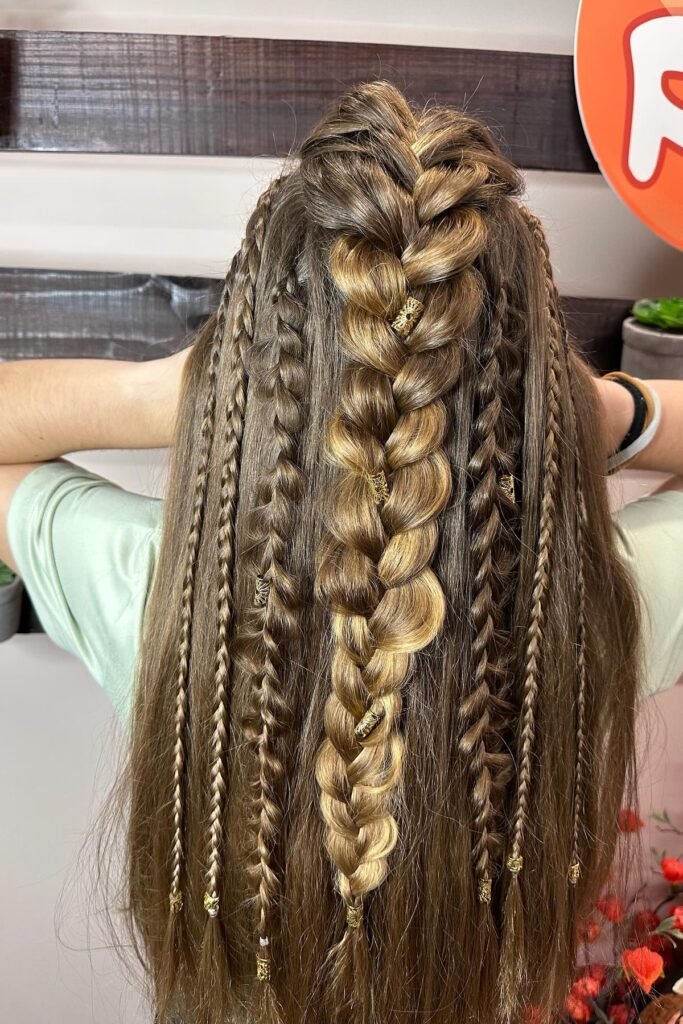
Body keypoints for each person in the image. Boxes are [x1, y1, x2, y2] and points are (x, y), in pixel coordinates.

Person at [0, 82, 681, 1024]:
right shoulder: (585, 609)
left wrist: (194, 397)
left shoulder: (170, 593)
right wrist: (611, 413)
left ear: (265, 368)